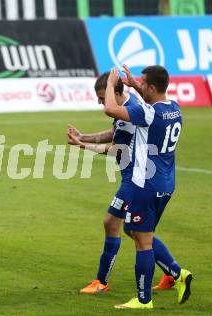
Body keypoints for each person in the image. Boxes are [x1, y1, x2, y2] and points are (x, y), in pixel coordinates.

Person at [68, 70, 175, 293]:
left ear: (117, 92)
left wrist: (83, 146)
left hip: (135, 180)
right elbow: (114, 132)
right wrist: (84, 136)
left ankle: (102, 282)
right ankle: (173, 273)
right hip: (136, 177)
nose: (101, 103)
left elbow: (118, 149)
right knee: (133, 231)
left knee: (115, 225)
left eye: (102, 97)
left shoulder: (134, 108)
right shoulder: (129, 108)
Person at [103, 66, 192, 309]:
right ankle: (177, 273)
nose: (138, 84)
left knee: (142, 241)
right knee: (138, 232)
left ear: (151, 87)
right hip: (166, 184)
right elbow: (151, 104)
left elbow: (110, 109)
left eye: (143, 82)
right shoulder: (174, 108)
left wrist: (112, 84)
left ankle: (144, 300)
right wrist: (134, 84)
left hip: (145, 184)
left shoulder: (148, 113)